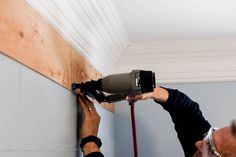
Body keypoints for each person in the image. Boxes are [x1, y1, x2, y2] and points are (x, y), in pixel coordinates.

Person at [79, 86, 236, 157]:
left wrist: (90, 141)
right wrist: (152, 91)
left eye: (210, 148)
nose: (199, 143)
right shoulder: (201, 145)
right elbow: (186, 110)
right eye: (210, 135)